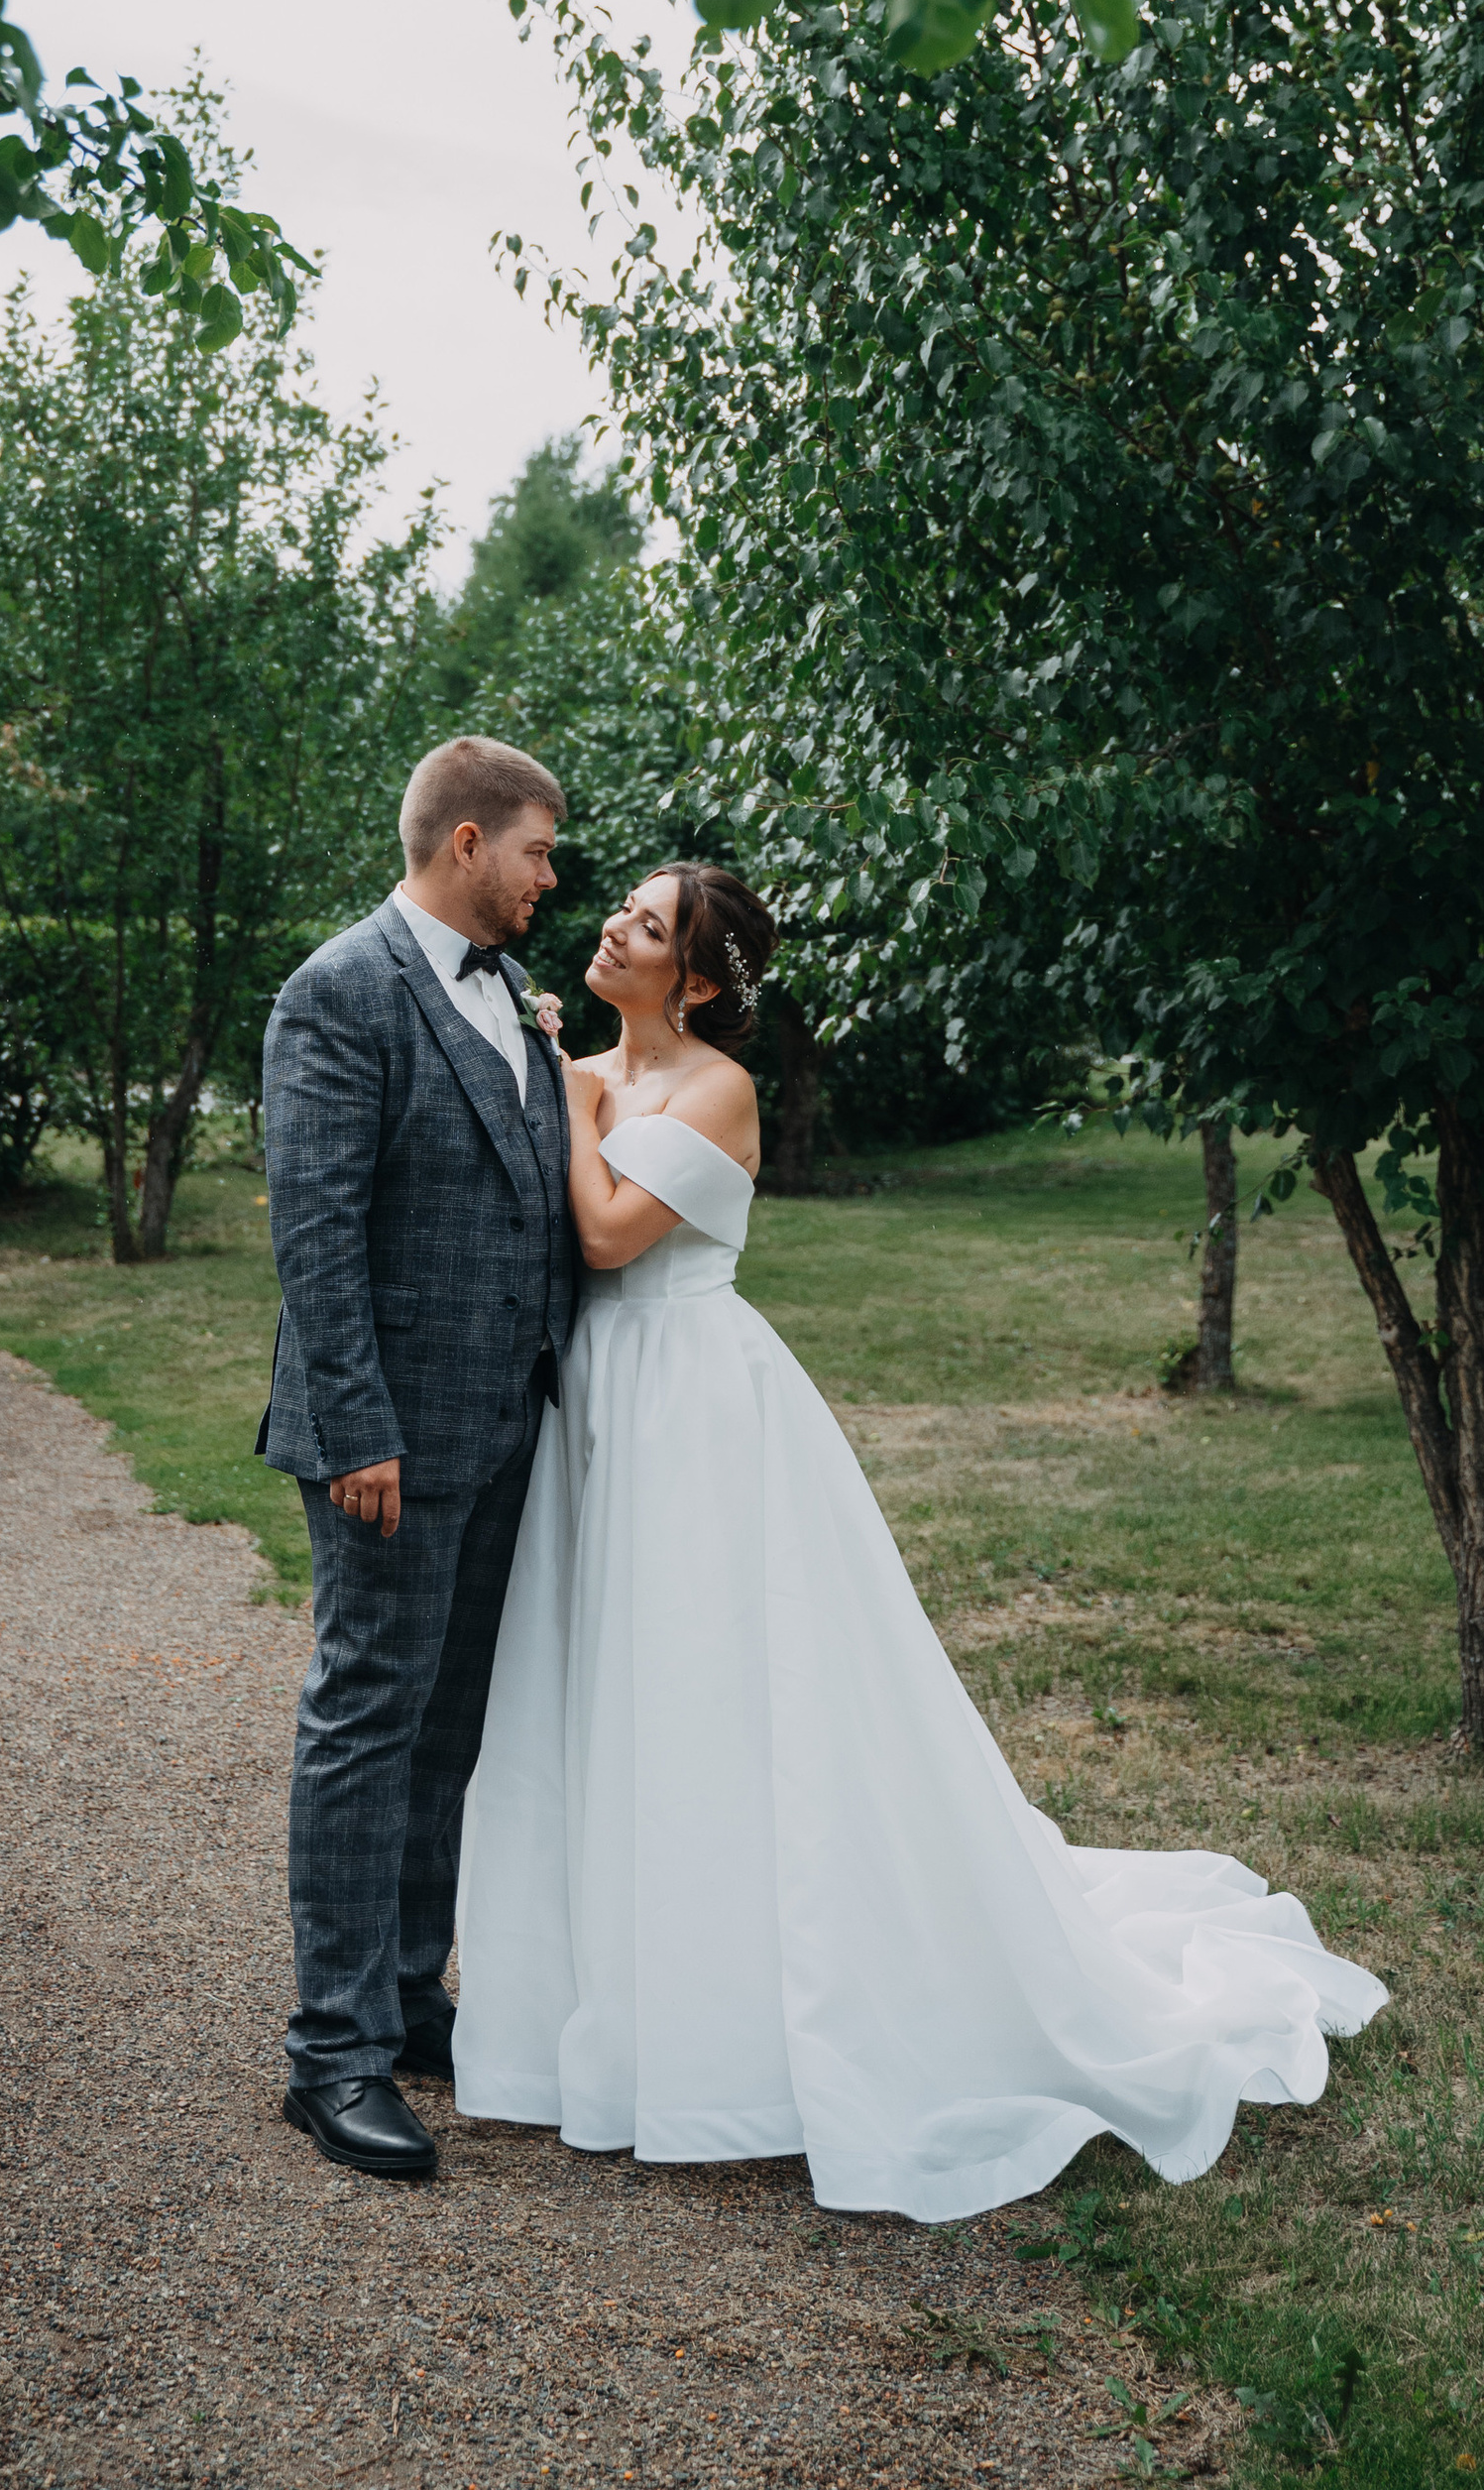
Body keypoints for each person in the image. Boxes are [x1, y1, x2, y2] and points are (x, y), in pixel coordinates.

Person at [451, 861, 1389, 2220]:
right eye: (627, 909)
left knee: (713, 1687)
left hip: (699, 1411)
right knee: (612, 1690)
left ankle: (743, 2012)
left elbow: (605, 1237)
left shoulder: (713, 1089)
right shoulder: (582, 1067)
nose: (615, 926)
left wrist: (579, 1098)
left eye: (649, 927)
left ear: (700, 981)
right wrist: (570, 1084)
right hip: (599, 1403)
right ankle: (617, 1999)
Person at [258, 736, 580, 2182]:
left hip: (502, 1424)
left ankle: (403, 1996)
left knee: (448, 1726)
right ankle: (329, 2055)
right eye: (536, 851)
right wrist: (357, 1428)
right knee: (366, 1718)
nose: (550, 877)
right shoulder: (340, 990)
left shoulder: (513, 993)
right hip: (387, 1438)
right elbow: (315, 1235)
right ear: (466, 845)